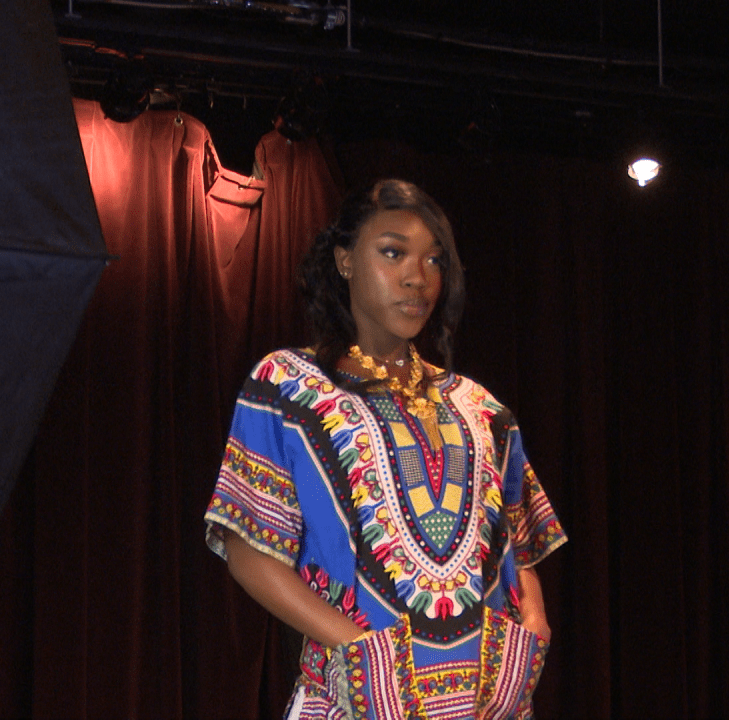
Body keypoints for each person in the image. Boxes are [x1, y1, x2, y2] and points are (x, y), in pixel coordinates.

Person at [204, 179, 567, 719]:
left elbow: (518, 547)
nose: (417, 278)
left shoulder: (481, 407)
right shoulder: (286, 387)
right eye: (393, 252)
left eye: (434, 261)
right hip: (357, 702)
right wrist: (363, 652)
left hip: (487, 703)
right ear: (346, 261)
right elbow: (247, 549)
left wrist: (534, 625)